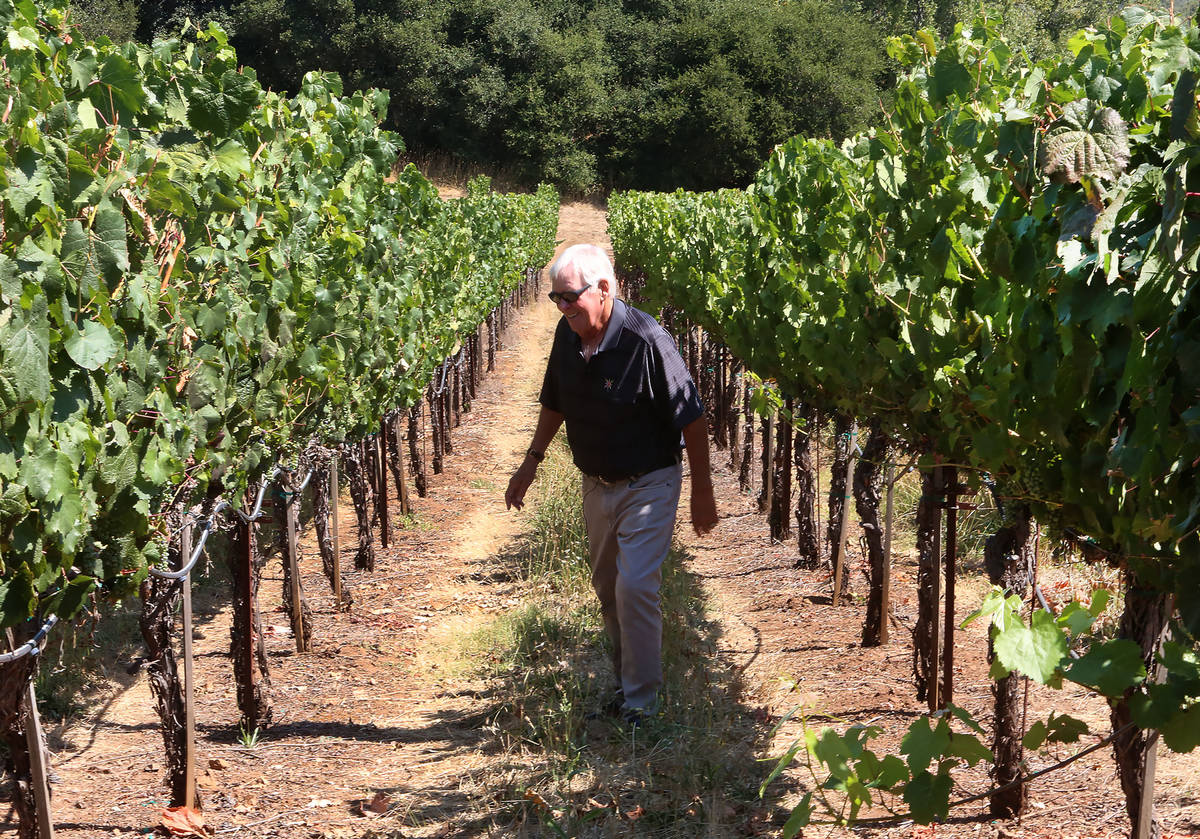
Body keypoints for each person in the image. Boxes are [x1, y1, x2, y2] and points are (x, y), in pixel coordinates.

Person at [505, 243, 718, 725]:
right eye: (555, 299)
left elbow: (693, 419)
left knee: (635, 584)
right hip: (595, 483)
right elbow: (555, 401)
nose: (562, 308)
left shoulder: (647, 341)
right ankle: (626, 689)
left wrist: (702, 493)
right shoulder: (567, 334)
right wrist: (530, 463)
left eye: (569, 297)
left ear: (603, 290)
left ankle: (643, 703)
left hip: (650, 480)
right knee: (607, 586)